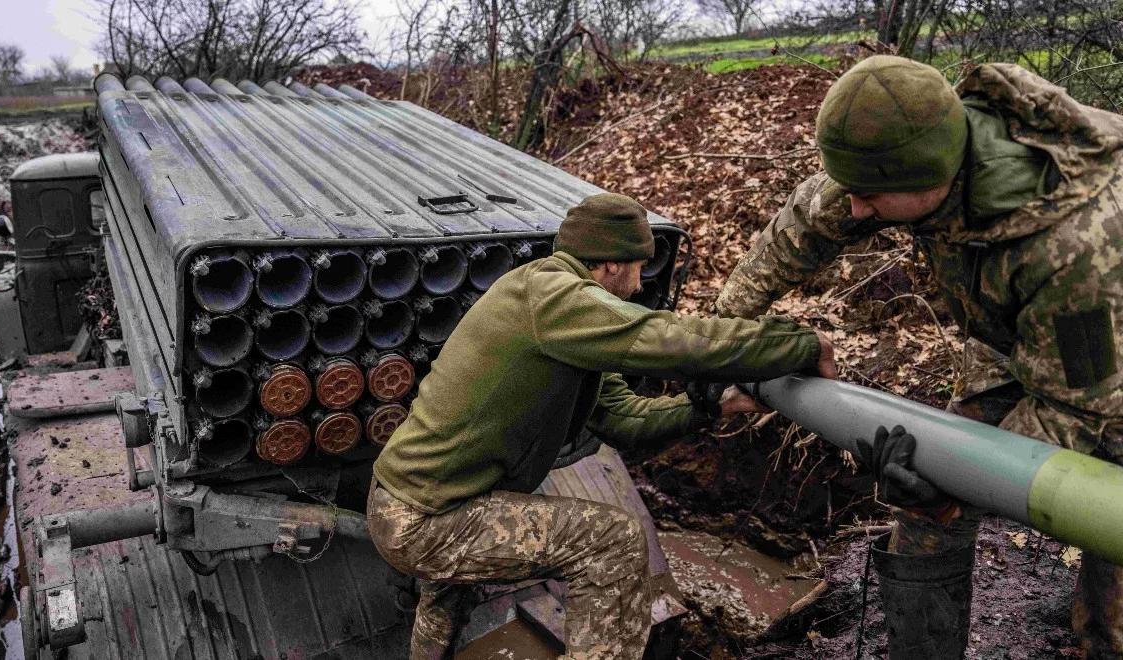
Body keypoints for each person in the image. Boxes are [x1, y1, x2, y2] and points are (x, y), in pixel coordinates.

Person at [713, 55, 1123, 658]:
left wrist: (958, 487)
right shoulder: (909, 146)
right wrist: (721, 339)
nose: (855, 210)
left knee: (1108, 541)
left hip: (1105, 361)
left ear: (933, 181)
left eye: (869, 197)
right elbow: (803, 224)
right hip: (1010, 341)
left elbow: (1076, 410)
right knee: (927, 510)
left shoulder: (1078, 247)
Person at [367, 192, 836, 660]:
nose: (637, 287)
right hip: (426, 516)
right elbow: (665, 337)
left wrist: (711, 408)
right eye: (638, 269)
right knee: (613, 541)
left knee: (447, 600)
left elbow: (624, 418)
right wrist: (797, 344)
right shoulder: (553, 297)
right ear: (612, 264)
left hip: (421, 500)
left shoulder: (566, 321)